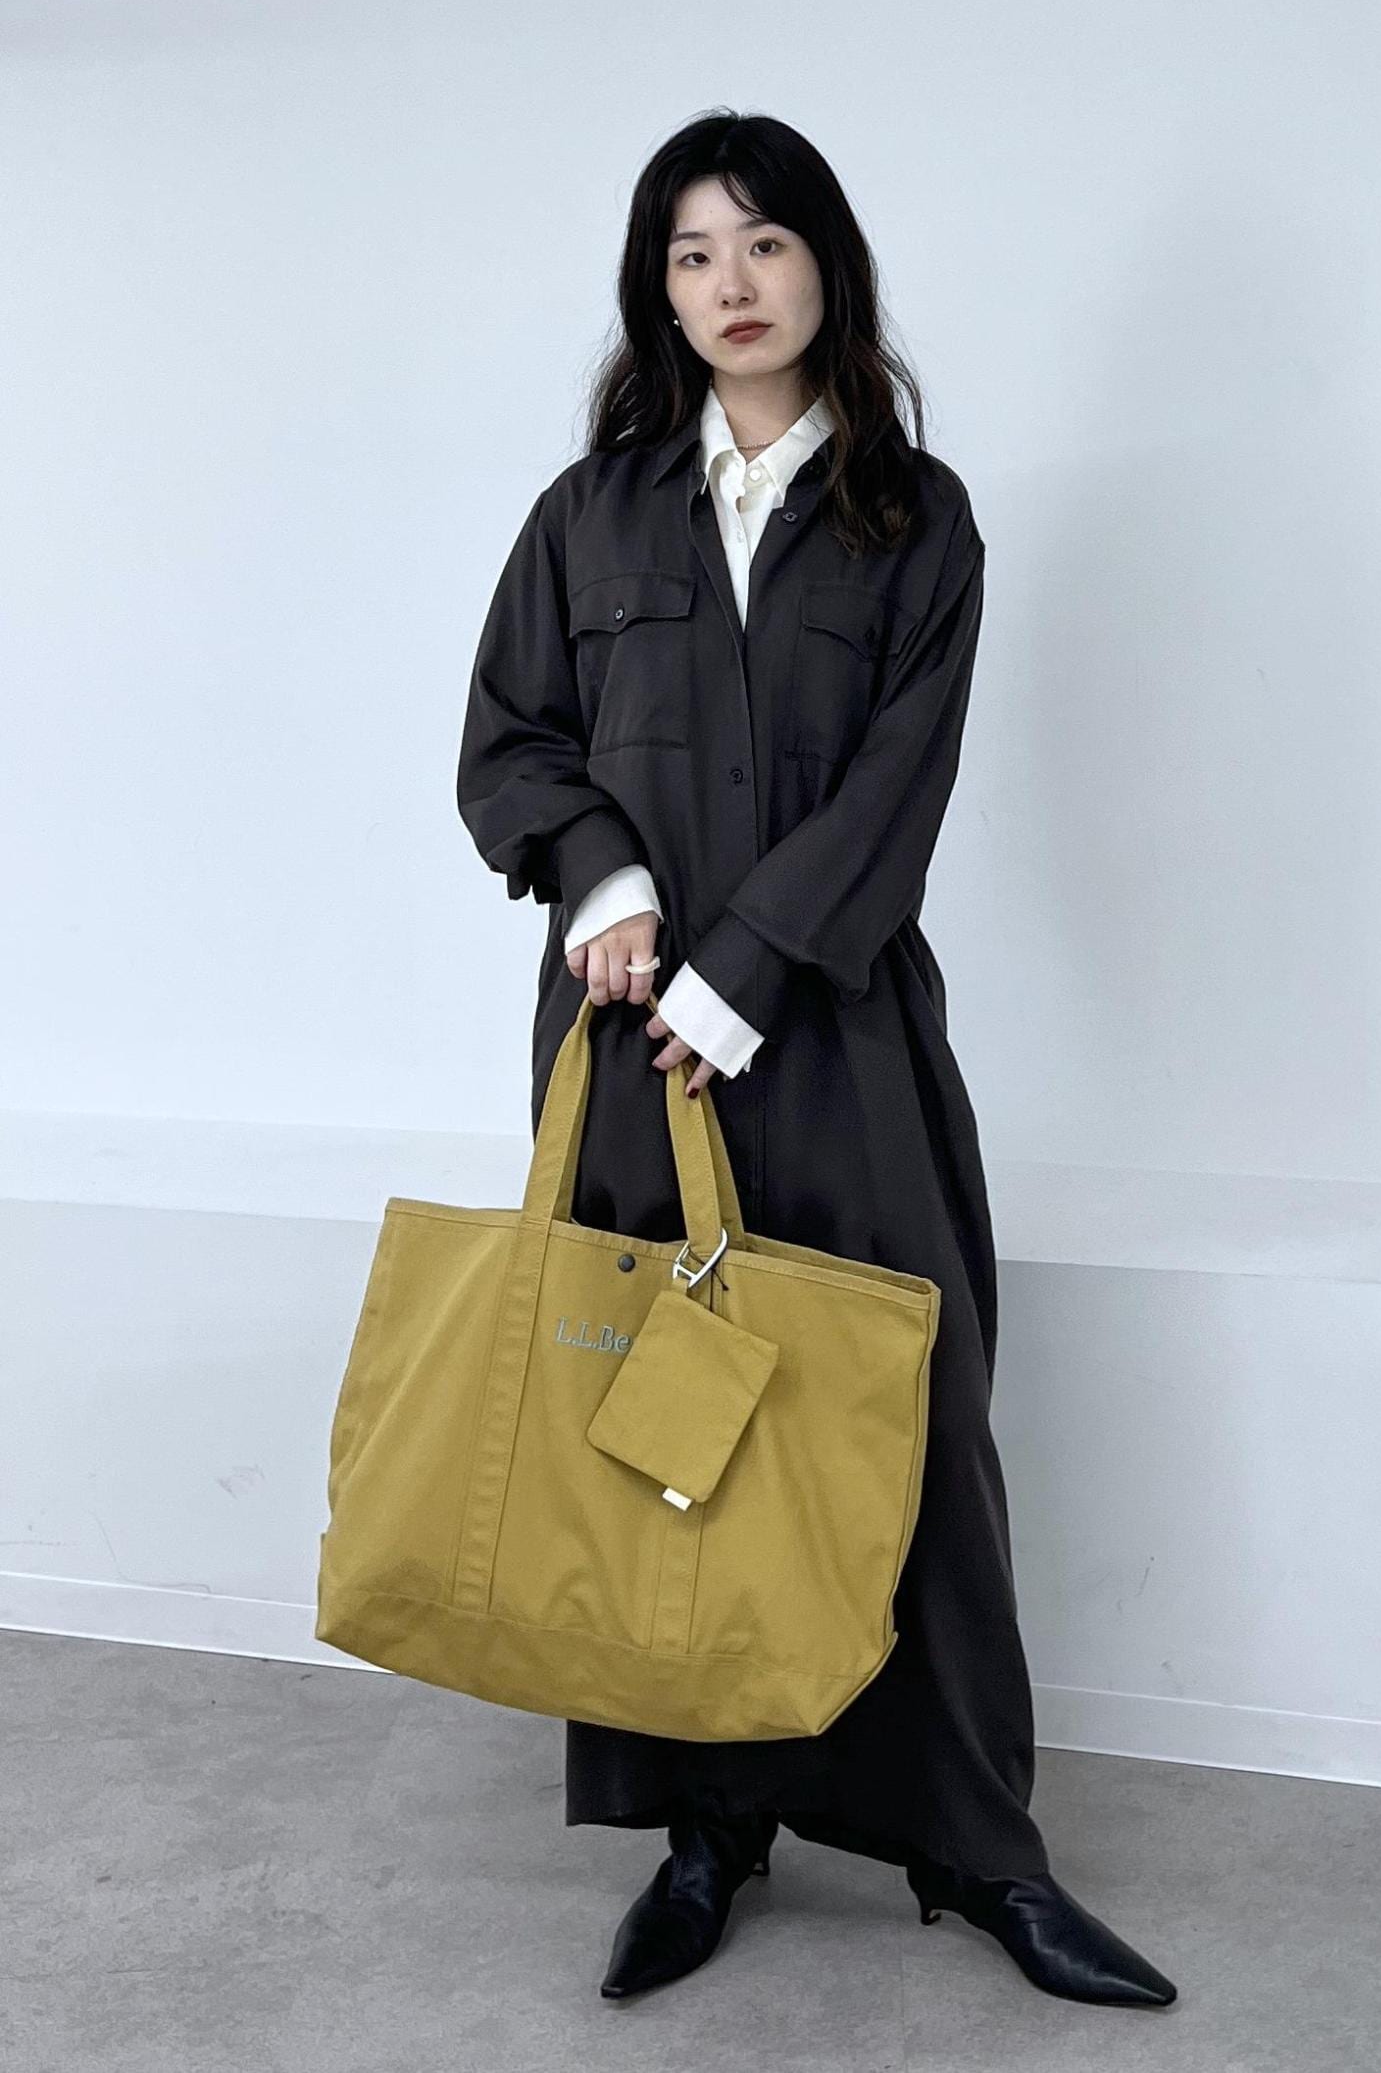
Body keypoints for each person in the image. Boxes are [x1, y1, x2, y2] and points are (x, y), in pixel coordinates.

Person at [455, 109, 1176, 2012]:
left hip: (837, 1040)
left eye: (764, 243)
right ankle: (710, 1833)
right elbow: (512, 741)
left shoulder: (916, 521)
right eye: (693, 254)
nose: (733, 284)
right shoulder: (591, 514)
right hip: (630, 1056)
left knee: (902, 1422)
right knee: (662, 1440)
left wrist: (749, 968)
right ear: (659, 291)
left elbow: (898, 786)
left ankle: (979, 1850)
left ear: (826, 265)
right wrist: (602, 872)